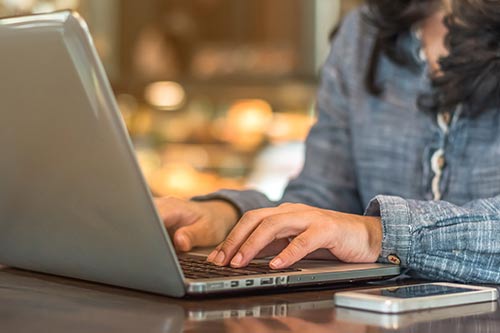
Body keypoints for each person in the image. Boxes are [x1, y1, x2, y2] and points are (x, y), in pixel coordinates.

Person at [155, 0, 500, 283]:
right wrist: (230, 219)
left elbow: (358, 229)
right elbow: (325, 199)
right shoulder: (364, 33)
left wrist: (375, 235)